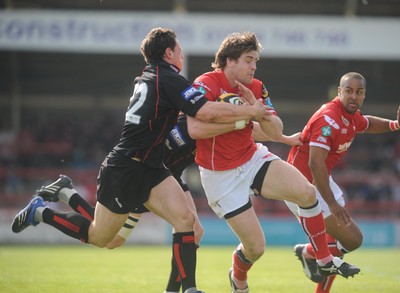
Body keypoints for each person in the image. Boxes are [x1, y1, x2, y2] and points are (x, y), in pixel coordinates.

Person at [11, 27, 272, 293]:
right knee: (101, 237)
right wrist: (250, 111)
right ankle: (42, 212)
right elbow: (203, 111)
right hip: (127, 167)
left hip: (152, 167)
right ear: (169, 53)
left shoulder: (151, 76)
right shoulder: (168, 78)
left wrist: (272, 131)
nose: (182, 54)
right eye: (179, 50)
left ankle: (189, 289)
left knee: (186, 222)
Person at [190, 32, 360, 293]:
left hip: (252, 157)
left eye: (256, 60)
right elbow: (196, 127)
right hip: (219, 176)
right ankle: (238, 278)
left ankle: (323, 258)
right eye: (249, 60)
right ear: (229, 60)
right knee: (256, 248)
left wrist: (266, 120)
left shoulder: (257, 86)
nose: (254, 66)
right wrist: (247, 114)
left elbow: (273, 125)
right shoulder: (206, 83)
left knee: (306, 192)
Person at [285, 72, 400, 293]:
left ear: (364, 95)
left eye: (359, 92)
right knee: (353, 239)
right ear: (339, 92)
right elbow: (314, 163)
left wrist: (395, 124)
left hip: (320, 180)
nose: (353, 96)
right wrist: (333, 204)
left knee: (339, 242)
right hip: (302, 185)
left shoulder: (351, 115)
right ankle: (310, 253)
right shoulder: (328, 119)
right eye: (348, 91)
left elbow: (366, 124)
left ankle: (312, 259)